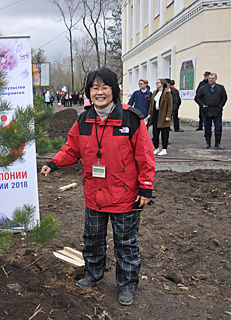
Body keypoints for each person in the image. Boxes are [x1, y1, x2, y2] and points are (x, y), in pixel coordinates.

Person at [40, 67, 155, 306]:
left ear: (114, 90)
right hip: (95, 194)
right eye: (94, 88)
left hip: (126, 196)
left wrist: (145, 188)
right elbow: (71, 149)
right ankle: (93, 273)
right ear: (88, 92)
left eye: (104, 87)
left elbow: (145, 156)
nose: (99, 92)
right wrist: (54, 163)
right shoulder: (83, 119)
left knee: (125, 243)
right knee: (92, 238)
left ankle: (126, 284)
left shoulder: (131, 119)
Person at [195, 73, 228, 149]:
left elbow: (224, 97)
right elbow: (197, 97)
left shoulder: (220, 88)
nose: (210, 80)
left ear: (215, 79)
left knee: (218, 127)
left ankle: (218, 143)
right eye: (209, 78)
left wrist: (220, 105)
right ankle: (207, 143)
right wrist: (202, 105)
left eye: (212, 78)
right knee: (207, 127)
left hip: (217, 111)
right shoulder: (203, 88)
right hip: (206, 111)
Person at [147, 79, 173, 156]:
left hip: (163, 114)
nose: (156, 84)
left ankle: (164, 149)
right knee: (155, 132)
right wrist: (149, 114)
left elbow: (170, 106)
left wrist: (168, 116)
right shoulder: (155, 93)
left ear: (162, 84)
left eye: (158, 82)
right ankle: (157, 148)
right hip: (155, 114)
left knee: (164, 133)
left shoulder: (167, 93)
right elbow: (152, 105)